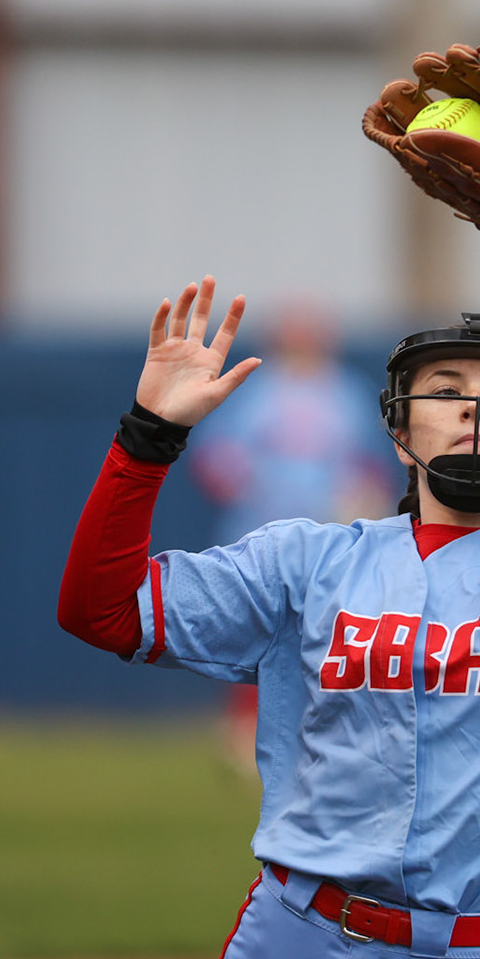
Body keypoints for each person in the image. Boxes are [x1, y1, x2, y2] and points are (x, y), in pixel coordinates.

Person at [56, 206, 480, 959]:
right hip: (293, 935)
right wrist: (148, 436)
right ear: (400, 429)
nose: (475, 405)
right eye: (445, 388)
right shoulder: (308, 562)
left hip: (469, 948)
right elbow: (102, 612)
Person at [185, 300, 396, 768]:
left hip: (329, 539)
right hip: (259, 533)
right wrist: (250, 483)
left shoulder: (345, 392)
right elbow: (214, 457)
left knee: (326, 636)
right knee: (254, 632)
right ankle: (244, 735)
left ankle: (320, 734)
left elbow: (370, 467)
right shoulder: (255, 391)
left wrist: (364, 502)